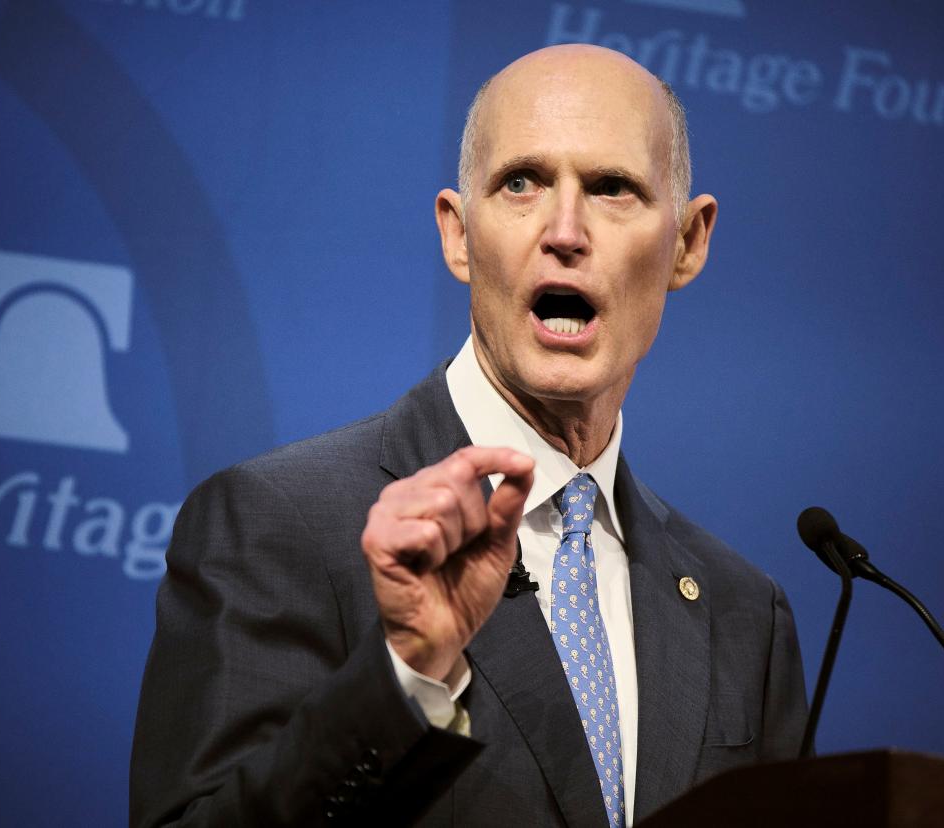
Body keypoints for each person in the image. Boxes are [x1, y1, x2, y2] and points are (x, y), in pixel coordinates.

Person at [131, 44, 808, 827]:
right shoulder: (279, 524)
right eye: (521, 183)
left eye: (612, 188)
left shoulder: (743, 615)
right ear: (458, 234)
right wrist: (409, 674)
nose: (564, 230)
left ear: (688, 243)